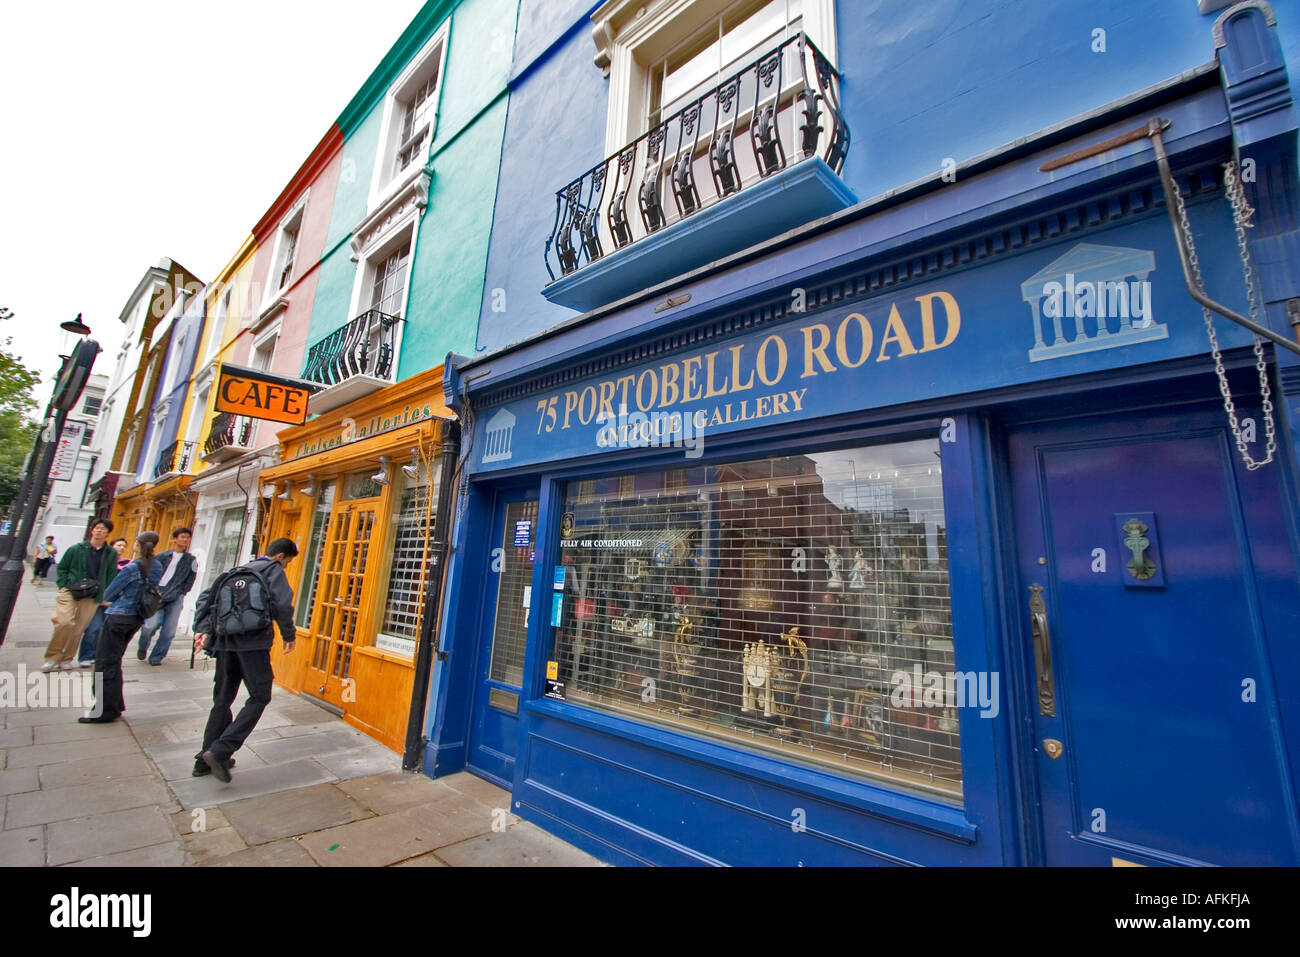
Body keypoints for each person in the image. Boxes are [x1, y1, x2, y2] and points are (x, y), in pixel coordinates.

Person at [192, 538, 298, 780]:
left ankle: (202, 761)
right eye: (288, 562)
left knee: (222, 699)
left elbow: (206, 599)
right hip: (253, 643)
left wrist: (203, 629)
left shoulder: (239, 569)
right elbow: (282, 604)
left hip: (225, 642)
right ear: (281, 557)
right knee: (260, 696)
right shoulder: (274, 571)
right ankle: (220, 750)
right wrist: (288, 635)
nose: (286, 566)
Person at [80, 531, 164, 724]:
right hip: (136, 617)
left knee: (105, 661)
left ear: (138, 544)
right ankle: (115, 704)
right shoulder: (157, 566)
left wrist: (104, 599)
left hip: (119, 615)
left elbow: (108, 593)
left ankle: (104, 709)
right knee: (114, 659)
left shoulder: (132, 567)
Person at [42, 519, 118, 672]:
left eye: (103, 529)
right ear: (92, 530)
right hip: (70, 590)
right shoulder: (76, 549)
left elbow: (111, 574)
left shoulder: (110, 553)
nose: (99, 531)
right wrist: (63, 585)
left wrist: (104, 593)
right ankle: (52, 657)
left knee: (78, 628)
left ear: (108, 533)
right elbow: (62, 568)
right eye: (97, 528)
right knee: (64, 623)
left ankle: (67, 658)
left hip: (93, 594)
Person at [135, 527, 198, 665]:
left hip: (176, 595)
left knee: (169, 631)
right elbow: (152, 573)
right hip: (157, 593)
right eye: (182, 536)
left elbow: (192, 577)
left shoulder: (191, 559)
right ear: (175, 539)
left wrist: (183, 592)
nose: (185, 539)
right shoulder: (162, 556)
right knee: (149, 626)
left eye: (187, 537)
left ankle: (157, 657)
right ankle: (143, 646)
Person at [75, 538, 132, 667]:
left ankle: (98, 655)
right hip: (98, 599)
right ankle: (85, 656)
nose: (121, 548)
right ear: (112, 546)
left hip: (115, 602)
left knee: (106, 631)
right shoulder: (103, 562)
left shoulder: (126, 564)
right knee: (93, 628)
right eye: (119, 545)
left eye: (124, 546)